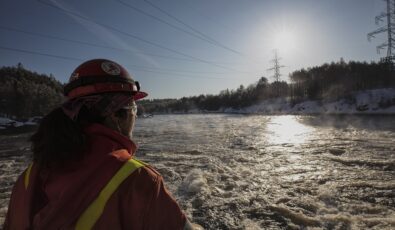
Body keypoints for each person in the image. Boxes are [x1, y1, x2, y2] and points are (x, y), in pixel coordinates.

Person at [3, 59, 196, 229]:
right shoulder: (138, 179)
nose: (135, 115)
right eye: (134, 108)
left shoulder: (26, 179)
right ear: (115, 114)